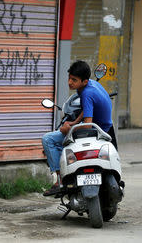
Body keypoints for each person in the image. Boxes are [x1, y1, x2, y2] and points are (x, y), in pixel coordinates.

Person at [41, 60, 116, 196]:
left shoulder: (86, 94)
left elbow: (87, 125)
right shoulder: (92, 85)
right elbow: (87, 110)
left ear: (84, 81)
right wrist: (74, 122)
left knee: (48, 139)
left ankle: (60, 180)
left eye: (74, 80)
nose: (70, 82)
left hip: (95, 130)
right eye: (69, 78)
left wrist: (68, 129)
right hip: (106, 128)